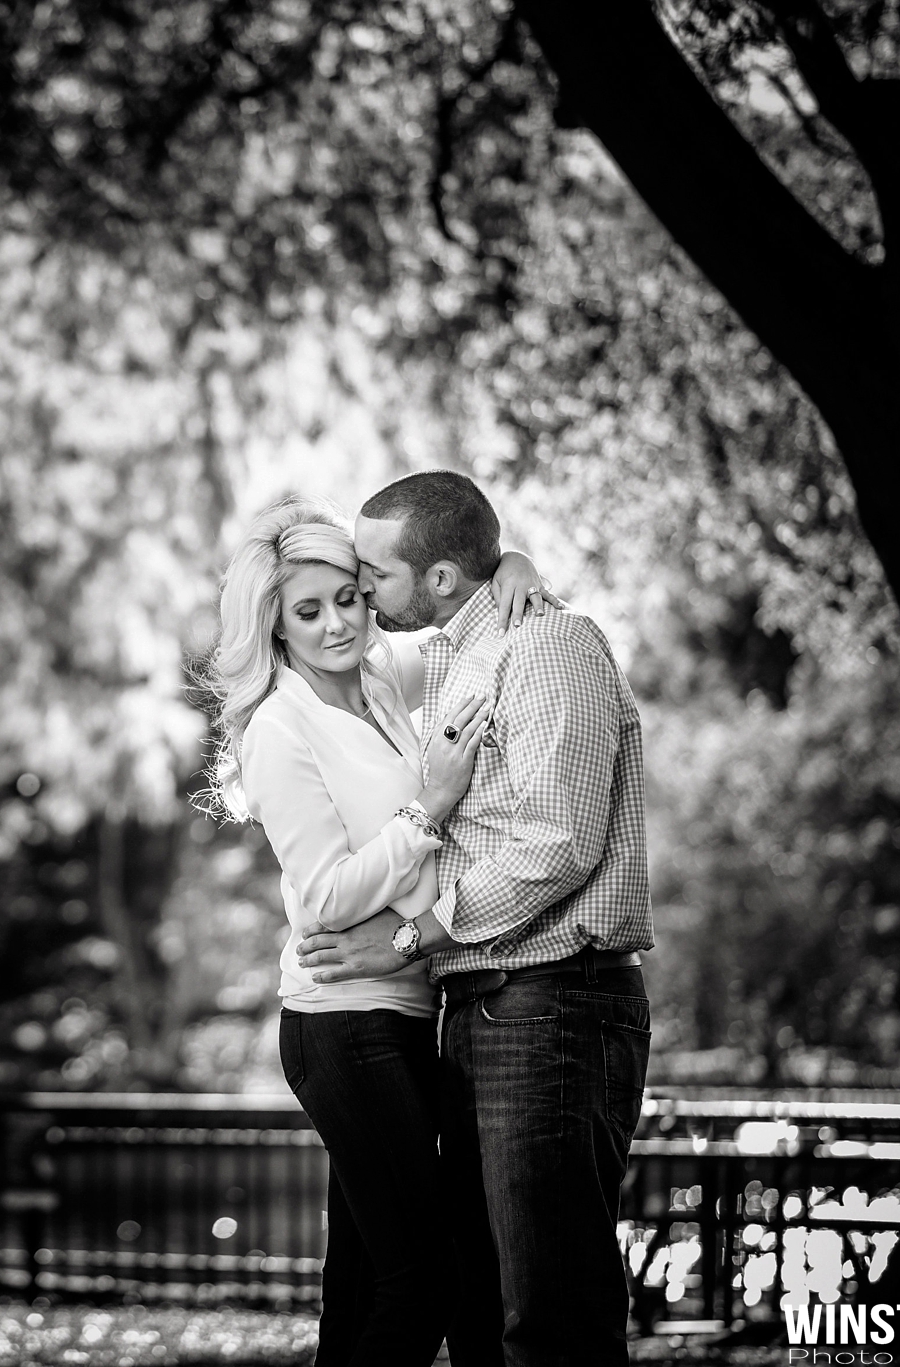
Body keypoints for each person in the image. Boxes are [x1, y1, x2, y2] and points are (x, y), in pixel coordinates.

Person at [297, 470, 653, 1367]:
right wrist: (510, 562)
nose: (360, 592)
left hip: (554, 1002)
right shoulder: (456, 655)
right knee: (485, 1310)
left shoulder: (550, 649)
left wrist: (416, 934)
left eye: (372, 574)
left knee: (550, 1312)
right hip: (486, 1009)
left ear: (443, 580)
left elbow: (556, 845)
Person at [201, 493, 549, 1367]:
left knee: (361, 1286)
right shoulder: (279, 730)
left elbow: (476, 631)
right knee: (424, 1278)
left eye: (347, 599)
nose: (335, 625)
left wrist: (512, 566)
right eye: (307, 612)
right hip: (341, 1020)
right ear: (275, 628)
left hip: (405, 1011)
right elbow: (323, 898)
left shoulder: (385, 680)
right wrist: (426, 815)